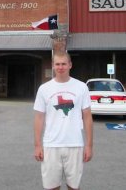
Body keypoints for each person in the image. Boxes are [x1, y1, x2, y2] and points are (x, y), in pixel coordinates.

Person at [34, 51, 93, 190]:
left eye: (64, 64)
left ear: (70, 65)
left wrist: (89, 145)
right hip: (51, 145)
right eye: (58, 64)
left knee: (74, 187)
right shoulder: (44, 89)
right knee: (51, 187)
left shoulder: (81, 87)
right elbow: (39, 118)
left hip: (75, 144)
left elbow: (87, 116)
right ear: (53, 66)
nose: (61, 67)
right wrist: (37, 145)